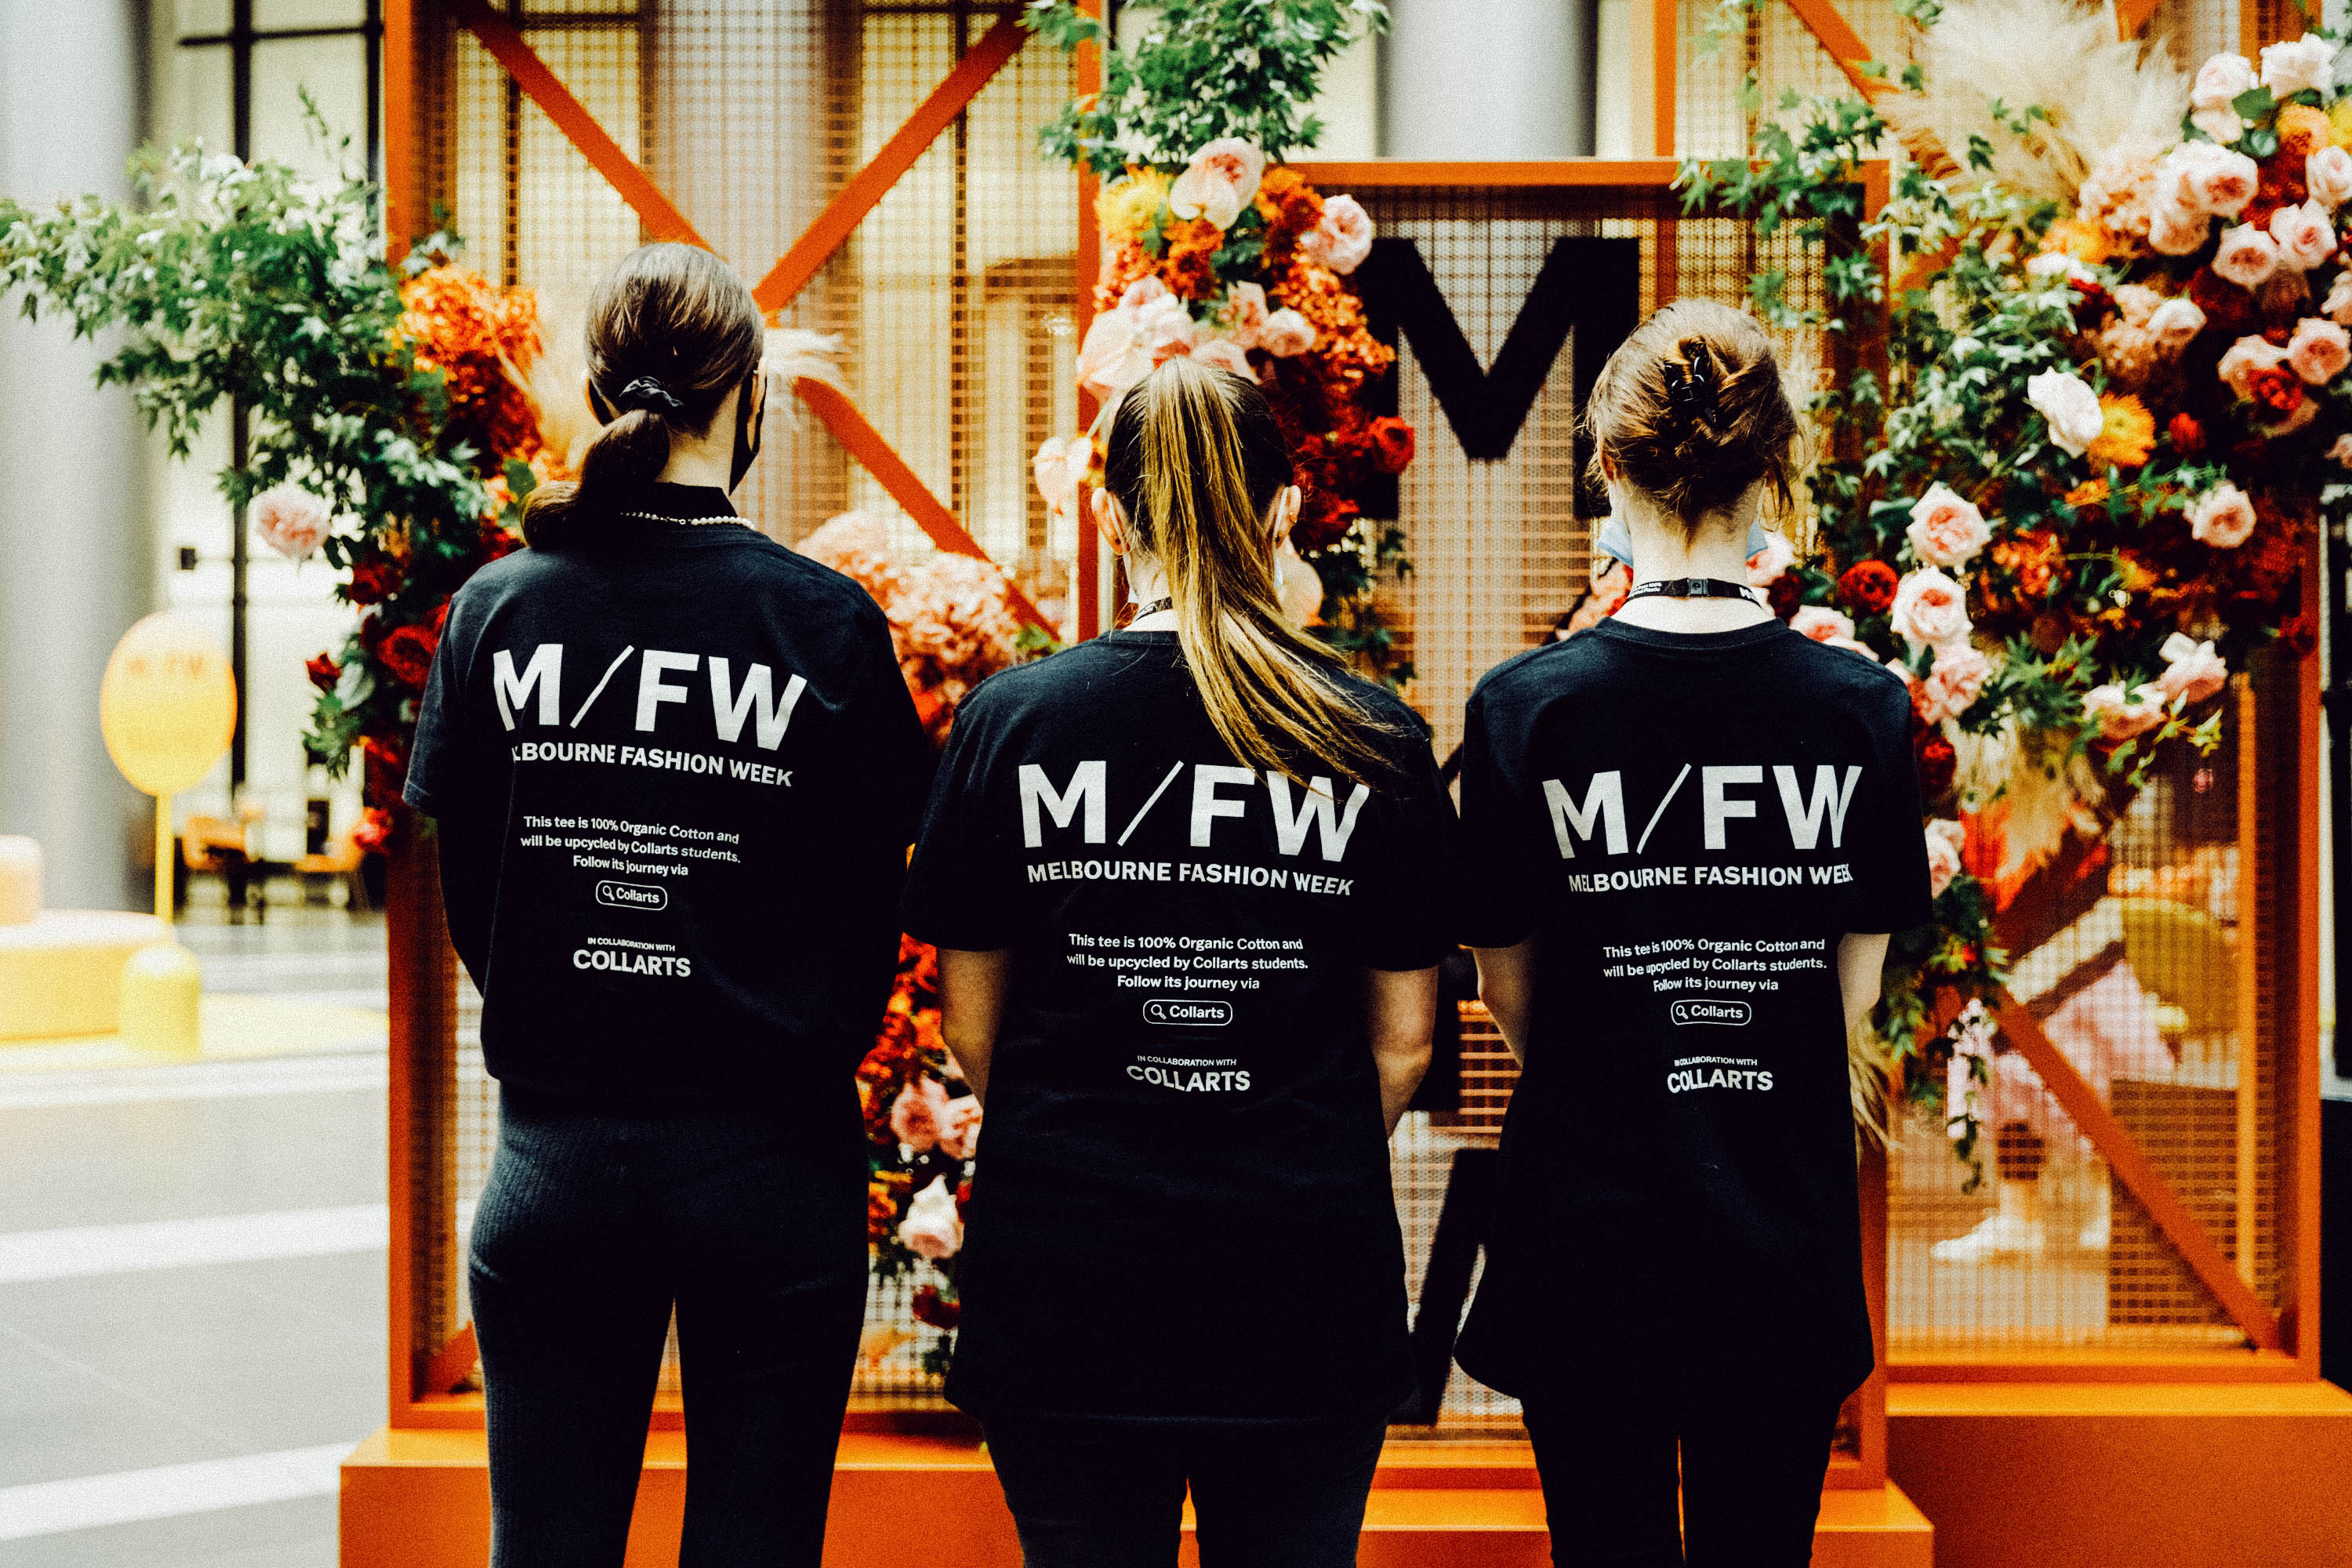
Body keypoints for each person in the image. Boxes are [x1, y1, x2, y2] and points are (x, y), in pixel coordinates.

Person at [404, 241, 931, 1568]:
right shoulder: (826, 628)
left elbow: (481, 893)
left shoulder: (497, 614)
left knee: (548, 1545)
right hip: (774, 1171)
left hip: (555, 1162)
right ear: (749, 403)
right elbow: (877, 903)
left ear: (597, 391)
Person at [902, 356, 1457, 1568]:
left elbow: (973, 1030)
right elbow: (1408, 1041)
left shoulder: (1017, 723)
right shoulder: (1370, 735)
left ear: (1108, 516)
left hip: (1070, 1282)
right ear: (1284, 510)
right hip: (1303, 1282)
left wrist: (1098, 1119)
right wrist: (1279, 1131)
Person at [1450, 299, 1932, 1566]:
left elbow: (1513, 993)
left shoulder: (1523, 712)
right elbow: (1851, 993)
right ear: (1776, 468)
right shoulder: (1861, 711)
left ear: (1604, 465)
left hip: (1586, 1229)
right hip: (1778, 1226)